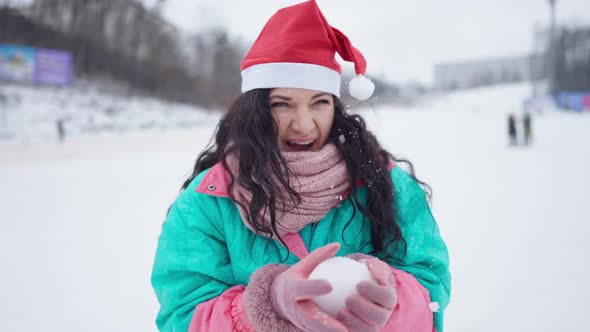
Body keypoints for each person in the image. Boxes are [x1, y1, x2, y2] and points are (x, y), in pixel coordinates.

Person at [151, 1, 451, 332]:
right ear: (256, 110)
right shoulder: (208, 201)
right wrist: (266, 306)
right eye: (283, 104)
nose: (303, 124)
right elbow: (182, 315)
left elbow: (430, 289)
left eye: (319, 103)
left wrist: (387, 299)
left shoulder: (384, 182)